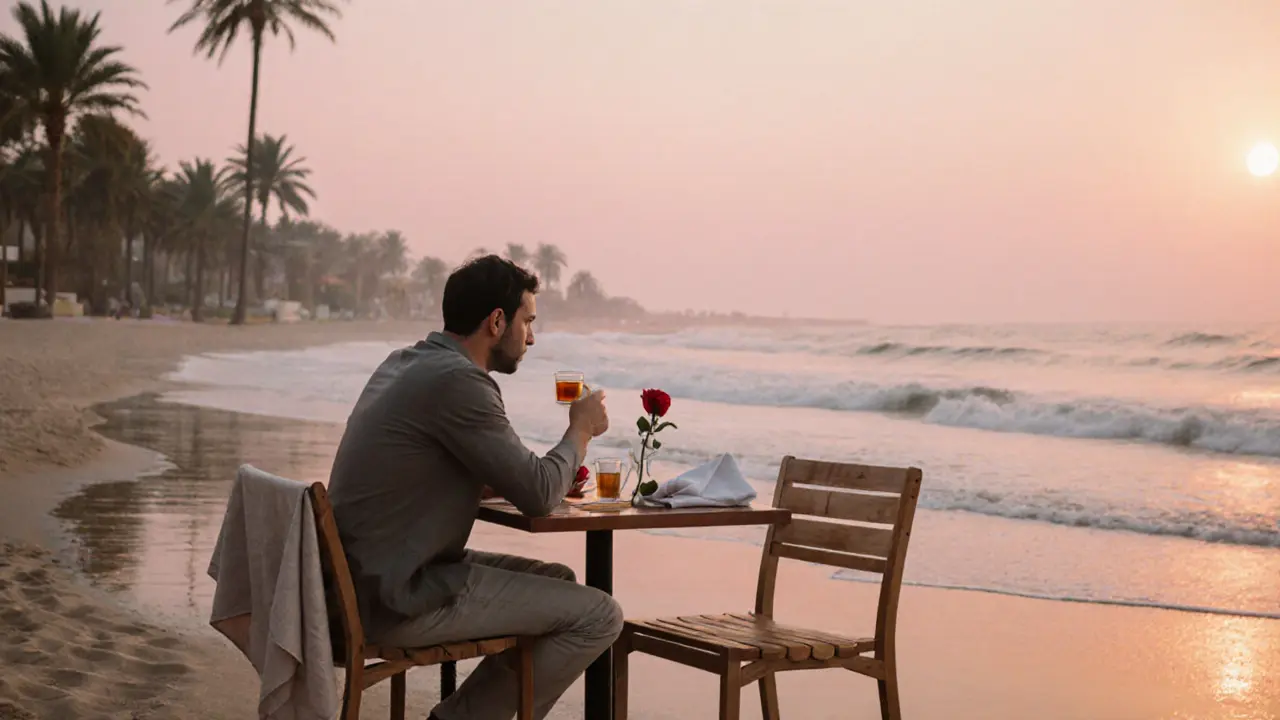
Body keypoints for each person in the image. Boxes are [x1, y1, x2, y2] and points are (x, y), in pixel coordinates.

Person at [327, 254, 620, 720]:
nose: (532, 338)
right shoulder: (459, 382)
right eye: (528, 322)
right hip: (391, 599)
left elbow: (421, 465)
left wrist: (474, 479)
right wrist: (580, 430)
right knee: (600, 615)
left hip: (356, 580)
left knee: (558, 583)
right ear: (497, 321)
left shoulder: (405, 363)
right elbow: (540, 495)